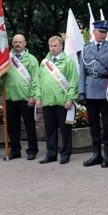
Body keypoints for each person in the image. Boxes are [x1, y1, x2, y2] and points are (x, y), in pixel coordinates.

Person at [36, 36, 79, 165]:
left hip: (63, 103)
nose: (53, 48)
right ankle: (51, 154)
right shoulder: (44, 63)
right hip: (47, 102)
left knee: (65, 130)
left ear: (61, 46)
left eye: (55, 46)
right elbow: (38, 81)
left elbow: (73, 82)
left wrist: (70, 99)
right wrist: (38, 97)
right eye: (51, 46)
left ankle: (65, 154)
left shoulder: (68, 62)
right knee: (49, 130)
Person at [78, 20, 108, 168]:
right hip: (90, 89)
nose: (103, 35)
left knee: (107, 124)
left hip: (106, 90)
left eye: (105, 32)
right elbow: (82, 72)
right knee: (93, 124)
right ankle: (96, 153)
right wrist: (81, 92)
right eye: (101, 32)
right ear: (94, 32)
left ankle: (107, 155)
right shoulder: (86, 49)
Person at [5, 34, 40, 160]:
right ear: (12, 43)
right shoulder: (6, 58)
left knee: (29, 126)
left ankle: (32, 150)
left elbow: (36, 79)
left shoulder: (31, 59)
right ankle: (15, 150)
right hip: (10, 98)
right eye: (15, 42)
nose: (17, 44)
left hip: (26, 99)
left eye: (20, 42)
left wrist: (33, 96)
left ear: (25, 43)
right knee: (12, 127)